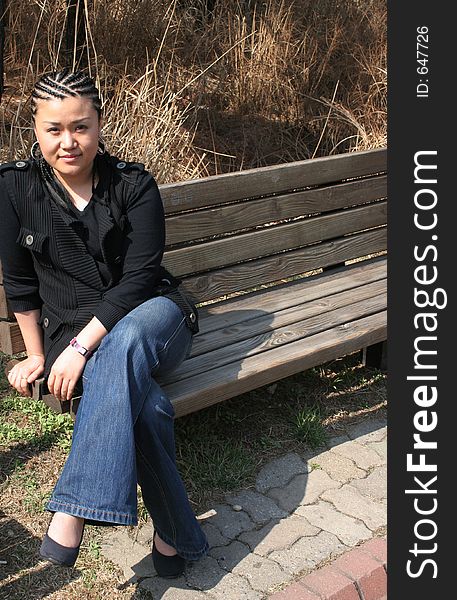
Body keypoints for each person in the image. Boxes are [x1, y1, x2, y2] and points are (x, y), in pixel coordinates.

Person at [0, 68, 209, 576]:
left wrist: (78, 350)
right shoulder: (13, 188)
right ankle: (175, 533)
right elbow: (20, 282)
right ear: (35, 128)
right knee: (148, 406)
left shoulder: (133, 185)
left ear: (99, 125)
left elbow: (139, 280)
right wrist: (35, 354)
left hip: (155, 317)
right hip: (71, 331)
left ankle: (73, 506)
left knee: (128, 338)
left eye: (81, 127)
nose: (68, 142)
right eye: (54, 129)